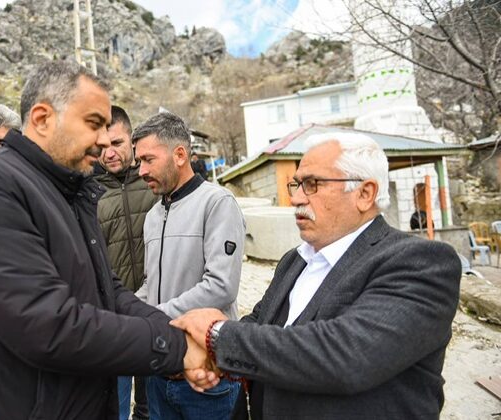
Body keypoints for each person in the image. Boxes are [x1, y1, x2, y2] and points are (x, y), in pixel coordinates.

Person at [0, 61, 217, 420]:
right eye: (94, 123)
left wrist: (172, 329)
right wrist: (177, 348)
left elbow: (109, 291)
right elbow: (45, 324)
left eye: (108, 127)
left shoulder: (72, 194)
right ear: (43, 118)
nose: (105, 140)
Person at [173, 133, 462, 420]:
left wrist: (216, 335)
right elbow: (261, 323)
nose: (296, 197)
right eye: (297, 184)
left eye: (313, 184)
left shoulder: (420, 262)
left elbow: (346, 355)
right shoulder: (295, 260)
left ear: (365, 193)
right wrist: (215, 360)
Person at [133, 112, 246, 420]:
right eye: (138, 161)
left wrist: (154, 319)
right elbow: (150, 284)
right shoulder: (153, 216)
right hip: (160, 371)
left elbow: (220, 287)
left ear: (179, 154)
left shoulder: (218, 203)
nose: (141, 170)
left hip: (206, 377)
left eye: (148, 159)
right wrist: (125, 314)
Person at [94, 105, 158, 420]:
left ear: (131, 140)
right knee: (114, 408)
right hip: (113, 319)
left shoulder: (155, 185)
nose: (109, 153)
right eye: (101, 147)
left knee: (150, 405)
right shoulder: (88, 193)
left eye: (116, 143)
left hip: (154, 313)